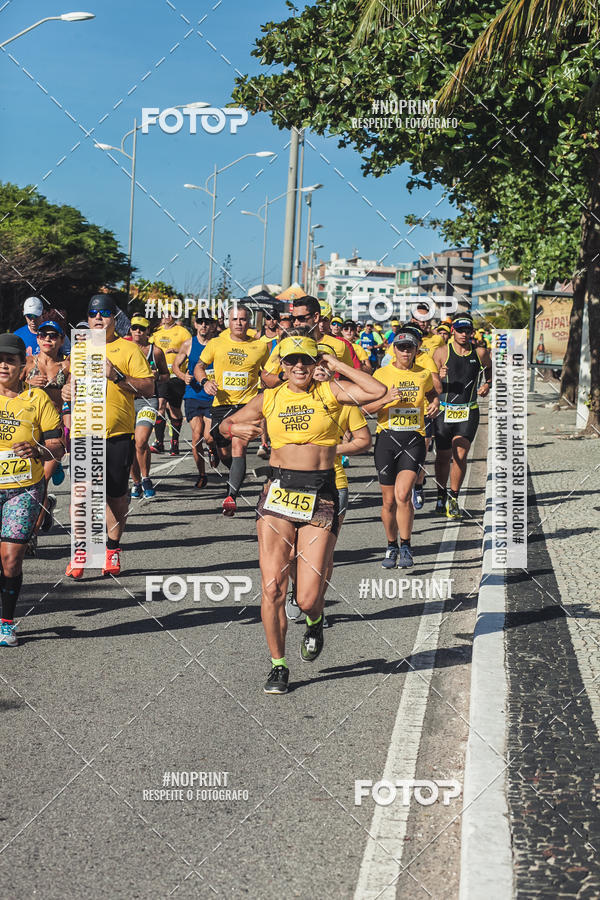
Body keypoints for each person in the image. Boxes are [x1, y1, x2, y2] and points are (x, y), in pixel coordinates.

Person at [221, 332, 386, 693]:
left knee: (308, 596)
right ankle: (278, 665)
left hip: (320, 493)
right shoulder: (268, 398)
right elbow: (224, 426)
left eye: (307, 361)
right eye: (292, 360)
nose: (299, 366)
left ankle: (315, 619)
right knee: (273, 587)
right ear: (281, 365)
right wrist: (235, 427)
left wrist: (338, 366)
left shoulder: (330, 392)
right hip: (278, 493)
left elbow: (377, 392)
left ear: (316, 365)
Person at [65, 295, 154, 578]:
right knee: (81, 495)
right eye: (93, 314)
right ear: (88, 319)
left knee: (115, 497)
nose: (98, 318)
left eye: (104, 313)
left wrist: (116, 376)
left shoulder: (128, 349)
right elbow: (71, 386)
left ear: (114, 319)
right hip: (84, 433)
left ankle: (112, 549)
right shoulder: (79, 350)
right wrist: (68, 393)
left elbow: (148, 388)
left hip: (117, 434)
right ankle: (81, 551)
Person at [0, 333, 64, 646]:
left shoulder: (37, 399)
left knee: (11, 559)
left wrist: (37, 449)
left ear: (22, 365)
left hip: (22, 489)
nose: (3, 365)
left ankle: (6, 623)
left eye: (10, 360)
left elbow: (57, 446)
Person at [285, 399, 372, 626]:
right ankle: (299, 591)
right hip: (292, 485)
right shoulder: (294, 399)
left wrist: (331, 448)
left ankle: (316, 603)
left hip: (333, 484)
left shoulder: (345, 404)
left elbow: (363, 441)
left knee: (323, 555)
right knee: (291, 552)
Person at [364, 329, 439, 568]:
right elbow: (367, 408)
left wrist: (435, 403)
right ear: (393, 350)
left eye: (410, 347)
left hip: (414, 439)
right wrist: (385, 400)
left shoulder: (424, 374)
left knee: (403, 495)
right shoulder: (382, 373)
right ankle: (391, 546)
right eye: (401, 347)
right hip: (386, 439)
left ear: (417, 350)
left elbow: (432, 393)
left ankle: (406, 545)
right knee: (388, 502)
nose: (405, 351)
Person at [193, 304, 269, 515]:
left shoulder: (260, 346)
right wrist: (205, 381)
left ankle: (230, 497)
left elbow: (268, 373)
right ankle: (234, 470)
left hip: (247, 406)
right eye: (235, 319)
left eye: (243, 319)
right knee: (222, 449)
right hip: (221, 405)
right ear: (228, 321)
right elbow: (199, 366)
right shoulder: (216, 343)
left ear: (249, 322)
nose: (239, 323)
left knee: (239, 447)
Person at [432, 314, 492, 518]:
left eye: (467, 331)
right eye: (460, 330)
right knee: (443, 456)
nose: (464, 334)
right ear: (453, 332)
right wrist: (438, 378)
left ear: (472, 332)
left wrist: (487, 384)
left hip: (468, 410)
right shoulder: (441, 352)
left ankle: (454, 498)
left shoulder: (481, 353)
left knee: (460, 454)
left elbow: (490, 370)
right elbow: (429, 382)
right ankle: (441, 493)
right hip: (444, 411)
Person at [23, 312, 71, 537]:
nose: (47, 339)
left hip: (54, 430)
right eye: (43, 334)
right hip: (27, 428)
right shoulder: (27, 362)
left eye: (53, 335)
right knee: (26, 482)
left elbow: (81, 390)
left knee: (41, 481)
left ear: (62, 339)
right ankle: (44, 510)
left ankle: (31, 536)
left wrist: (70, 390)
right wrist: (27, 381)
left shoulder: (68, 366)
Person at [261, 296, 355, 388]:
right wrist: (285, 375)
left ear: (316, 317)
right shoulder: (285, 344)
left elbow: (350, 378)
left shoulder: (339, 345)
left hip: (326, 402)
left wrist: (332, 382)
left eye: (301, 318)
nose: (296, 323)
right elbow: (265, 378)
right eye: (293, 319)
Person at [173, 315, 217, 487]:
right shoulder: (188, 344)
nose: (204, 325)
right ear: (195, 324)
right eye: (200, 322)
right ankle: (202, 474)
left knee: (209, 437)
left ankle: (213, 449)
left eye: (207, 322)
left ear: (213, 325)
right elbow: (176, 365)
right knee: (197, 436)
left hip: (213, 397)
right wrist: (183, 376)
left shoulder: (218, 344)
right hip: (193, 394)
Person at [128, 316, 169, 499]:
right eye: (134, 328)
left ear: (147, 332)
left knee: (141, 441)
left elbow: (167, 375)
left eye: (141, 328)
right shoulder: (124, 349)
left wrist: (155, 376)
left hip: (148, 400)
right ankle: (136, 482)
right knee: (129, 445)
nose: (138, 331)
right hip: (126, 401)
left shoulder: (156, 352)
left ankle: (146, 478)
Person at [149, 305, 191, 456]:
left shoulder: (182, 332)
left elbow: (190, 350)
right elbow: (148, 351)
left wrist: (177, 351)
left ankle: (175, 442)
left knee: (174, 410)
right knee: (160, 405)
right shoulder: (156, 333)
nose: (167, 316)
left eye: (170, 313)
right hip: (161, 377)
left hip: (176, 376)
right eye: (164, 313)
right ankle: (159, 442)